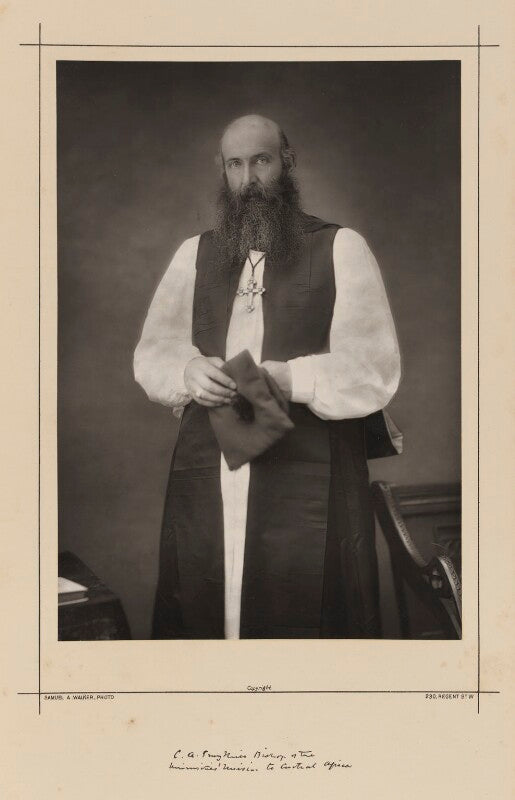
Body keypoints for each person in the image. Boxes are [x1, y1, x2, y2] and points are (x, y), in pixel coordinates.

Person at [134, 114, 401, 639]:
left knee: (307, 604)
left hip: (309, 463)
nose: (249, 178)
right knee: (208, 598)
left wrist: (291, 378)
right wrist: (188, 370)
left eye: (261, 160)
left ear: (287, 162)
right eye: (235, 164)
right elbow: (153, 351)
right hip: (213, 463)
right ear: (222, 170)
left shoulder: (341, 247)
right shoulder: (194, 254)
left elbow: (374, 367)